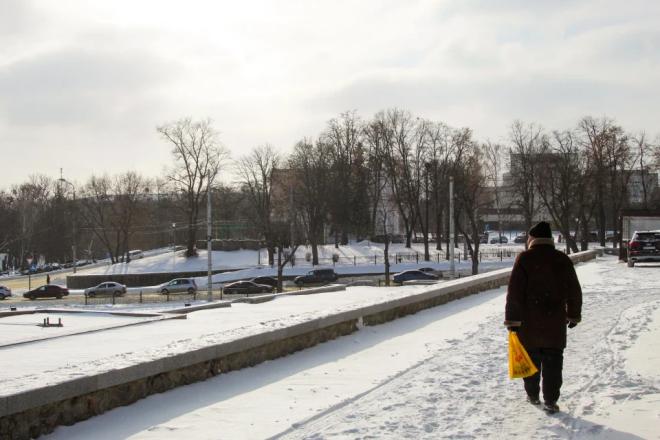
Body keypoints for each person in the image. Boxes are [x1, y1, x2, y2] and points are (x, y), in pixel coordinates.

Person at [504, 221, 582, 414]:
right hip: (555, 322)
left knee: (531, 360)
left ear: (532, 239)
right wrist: (573, 314)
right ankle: (550, 400)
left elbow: (514, 293)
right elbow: (574, 290)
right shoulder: (561, 259)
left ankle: (532, 394)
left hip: (529, 323)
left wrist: (513, 321)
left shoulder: (525, 259)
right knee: (553, 362)